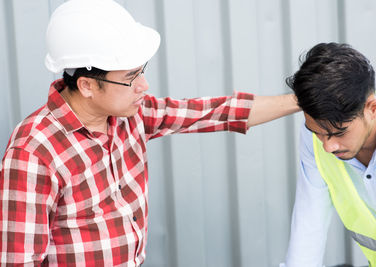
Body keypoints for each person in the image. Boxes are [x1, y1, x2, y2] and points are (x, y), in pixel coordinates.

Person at [0, 0, 299, 265]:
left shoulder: (130, 115)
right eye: (131, 77)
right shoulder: (34, 153)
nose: (144, 85)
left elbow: (215, 113)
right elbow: (19, 260)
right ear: (87, 85)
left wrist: (301, 101)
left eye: (142, 70)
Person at [282, 42, 376, 267]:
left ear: (373, 109)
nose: (328, 147)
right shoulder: (314, 140)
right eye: (318, 133)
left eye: (339, 133)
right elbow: (308, 230)